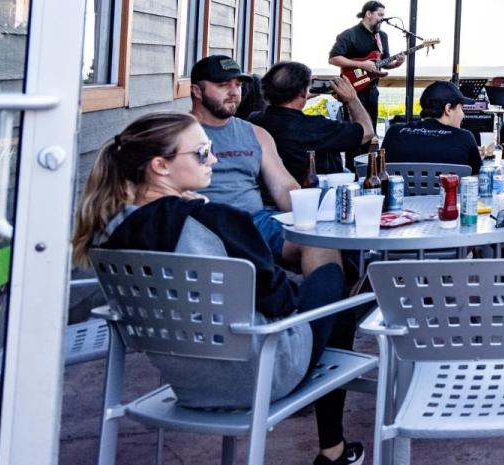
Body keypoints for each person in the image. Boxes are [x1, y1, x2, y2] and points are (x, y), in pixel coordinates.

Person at [71, 113, 366, 465]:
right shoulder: (214, 221)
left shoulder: (107, 230)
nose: (213, 159)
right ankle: (332, 447)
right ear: (159, 166)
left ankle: (334, 449)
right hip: (263, 374)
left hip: (186, 381)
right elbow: (280, 303)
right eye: (201, 153)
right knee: (333, 287)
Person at [190, 55, 338, 277]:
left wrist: (321, 217)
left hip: (256, 223)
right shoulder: (177, 133)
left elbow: (284, 189)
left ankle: (323, 312)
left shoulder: (255, 133)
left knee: (322, 242)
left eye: (238, 85)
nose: (233, 92)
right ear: (197, 91)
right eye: (222, 85)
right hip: (199, 224)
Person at [250, 61, 373, 181]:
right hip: (314, 192)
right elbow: (367, 132)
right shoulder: (317, 127)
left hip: (268, 193)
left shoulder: (253, 120)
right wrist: (352, 99)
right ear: (303, 92)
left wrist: (298, 95)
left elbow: (284, 113)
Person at [327, 0, 405, 125]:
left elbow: (383, 62)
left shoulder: (382, 36)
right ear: (368, 14)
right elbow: (333, 58)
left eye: (383, 15)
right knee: (353, 128)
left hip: (372, 89)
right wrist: (361, 64)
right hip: (352, 89)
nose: (382, 19)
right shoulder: (349, 34)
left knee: (371, 126)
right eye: (379, 15)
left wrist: (396, 64)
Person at [380, 80, 483, 174]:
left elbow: (378, 172)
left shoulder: (394, 132)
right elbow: (478, 177)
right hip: (446, 194)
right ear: (448, 109)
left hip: (401, 194)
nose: (463, 115)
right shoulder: (464, 138)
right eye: (461, 109)